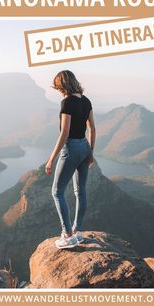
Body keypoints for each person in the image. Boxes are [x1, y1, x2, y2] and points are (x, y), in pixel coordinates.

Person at [45, 70, 96, 249]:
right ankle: (77, 231)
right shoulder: (86, 100)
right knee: (80, 191)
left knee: (57, 192)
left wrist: (51, 158)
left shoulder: (66, 103)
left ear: (63, 85)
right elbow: (93, 129)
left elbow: (64, 133)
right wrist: (91, 153)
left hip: (72, 148)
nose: (58, 90)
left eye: (58, 87)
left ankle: (67, 235)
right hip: (84, 147)